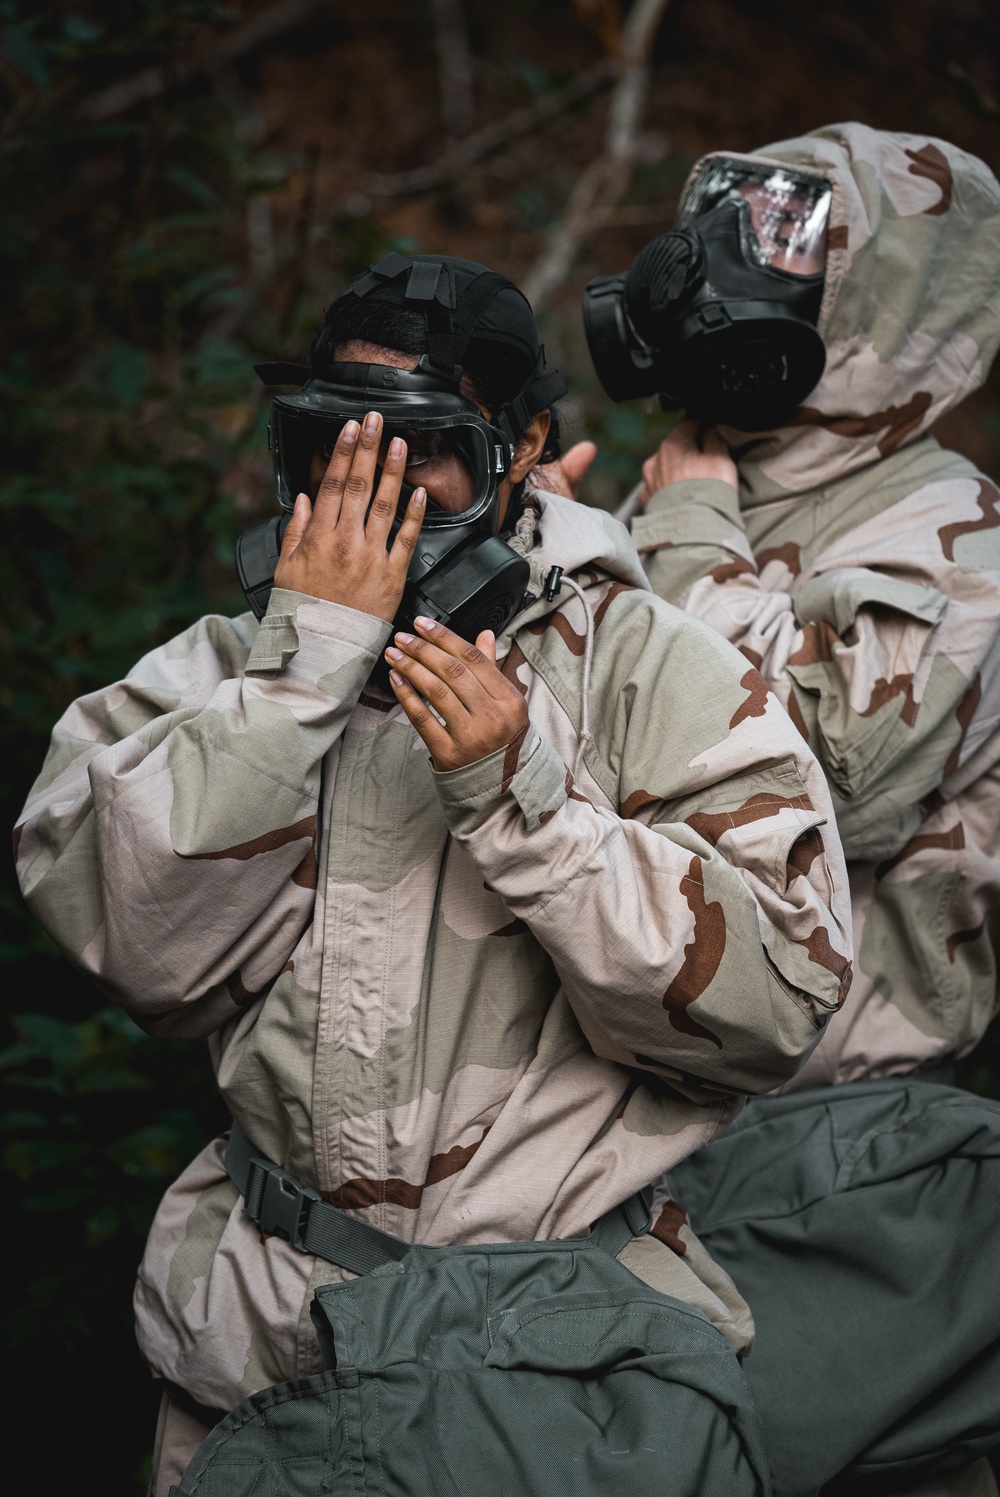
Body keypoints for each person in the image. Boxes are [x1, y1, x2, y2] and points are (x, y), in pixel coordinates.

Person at [15, 252, 852, 1495]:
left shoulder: (651, 670)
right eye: (334, 436)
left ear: (520, 449)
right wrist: (300, 678)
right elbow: (133, 947)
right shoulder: (223, 670)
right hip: (261, 1351)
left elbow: (779, 1003)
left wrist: (531, 808)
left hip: (556, 1367)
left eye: (426, 443)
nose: (376, 475)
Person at [553, 123, 1000, 1496]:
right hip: (620, 1119)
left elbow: (815, 789)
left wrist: (685, 545)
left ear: (886, 304)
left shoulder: (951, 534)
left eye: (800, 249)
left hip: (830, 1151)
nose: (743, 273)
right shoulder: (696, 475)